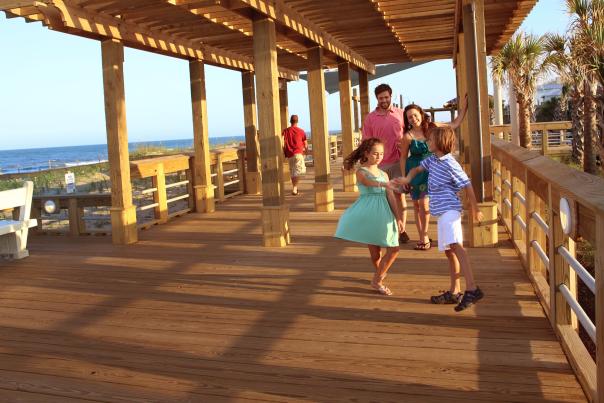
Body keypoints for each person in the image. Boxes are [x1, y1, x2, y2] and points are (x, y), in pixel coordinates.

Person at [393, 126, 484, 312]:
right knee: (449, 251)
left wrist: (475, 209)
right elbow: (417, 169)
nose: (428, 142)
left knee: (457, 247)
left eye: (431, 140)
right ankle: (454, 291)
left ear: (441, 143)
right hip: (442, 213)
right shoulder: (432, 160)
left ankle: (472, 288)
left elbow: (467, 185)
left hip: (450, 211)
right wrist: (407, 179)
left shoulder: (451, 163)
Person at [335, 138, 403, 296]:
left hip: (384, 213)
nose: (379, 157)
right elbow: (367, 182)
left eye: (381, 154)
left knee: (394, 248)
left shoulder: (384, 174)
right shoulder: (361, 171)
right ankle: (379, 275)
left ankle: (377, 279)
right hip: (369, 213)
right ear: (366, 153)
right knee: (375, 253)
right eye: (375, 154)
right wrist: (382, 184)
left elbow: (391, 197)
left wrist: (398, 217)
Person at [399, 98, 468, 250]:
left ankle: (424, 237)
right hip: (415, 171)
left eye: (415, 115)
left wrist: (463, 108)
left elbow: (454, 124)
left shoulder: (433, 127)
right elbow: (403, 158)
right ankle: (422, 236)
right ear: (407, 120)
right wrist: (405, 178)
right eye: (410, 117)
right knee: (417, 205)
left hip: (431, 169)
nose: (413, 119)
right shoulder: (407, 136)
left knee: (424, 204)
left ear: (421, 115)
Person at [361, 83, 409, 243]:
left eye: (386, 97)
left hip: (398, 162)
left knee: (400, 197)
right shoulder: (370, 118)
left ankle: (403, 230)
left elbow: (412, 133)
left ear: (391, 96)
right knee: (384, 200)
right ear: (376, 98)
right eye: (381, 98)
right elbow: (366, 142)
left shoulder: (401, 114)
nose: (384, 100)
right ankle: (390, 229)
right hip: (379, 165)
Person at [282, 114, 307, 195]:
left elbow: (282, 141)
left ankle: (294, 188)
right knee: (299, 171)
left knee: (293, 172)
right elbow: (306, 144)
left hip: (289, 154)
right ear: (297, 121)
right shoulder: (301, 131)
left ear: (290, 121)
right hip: (298, 153)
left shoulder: (285, 131)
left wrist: (284, 149)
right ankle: (295, 188)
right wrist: (306, 151)